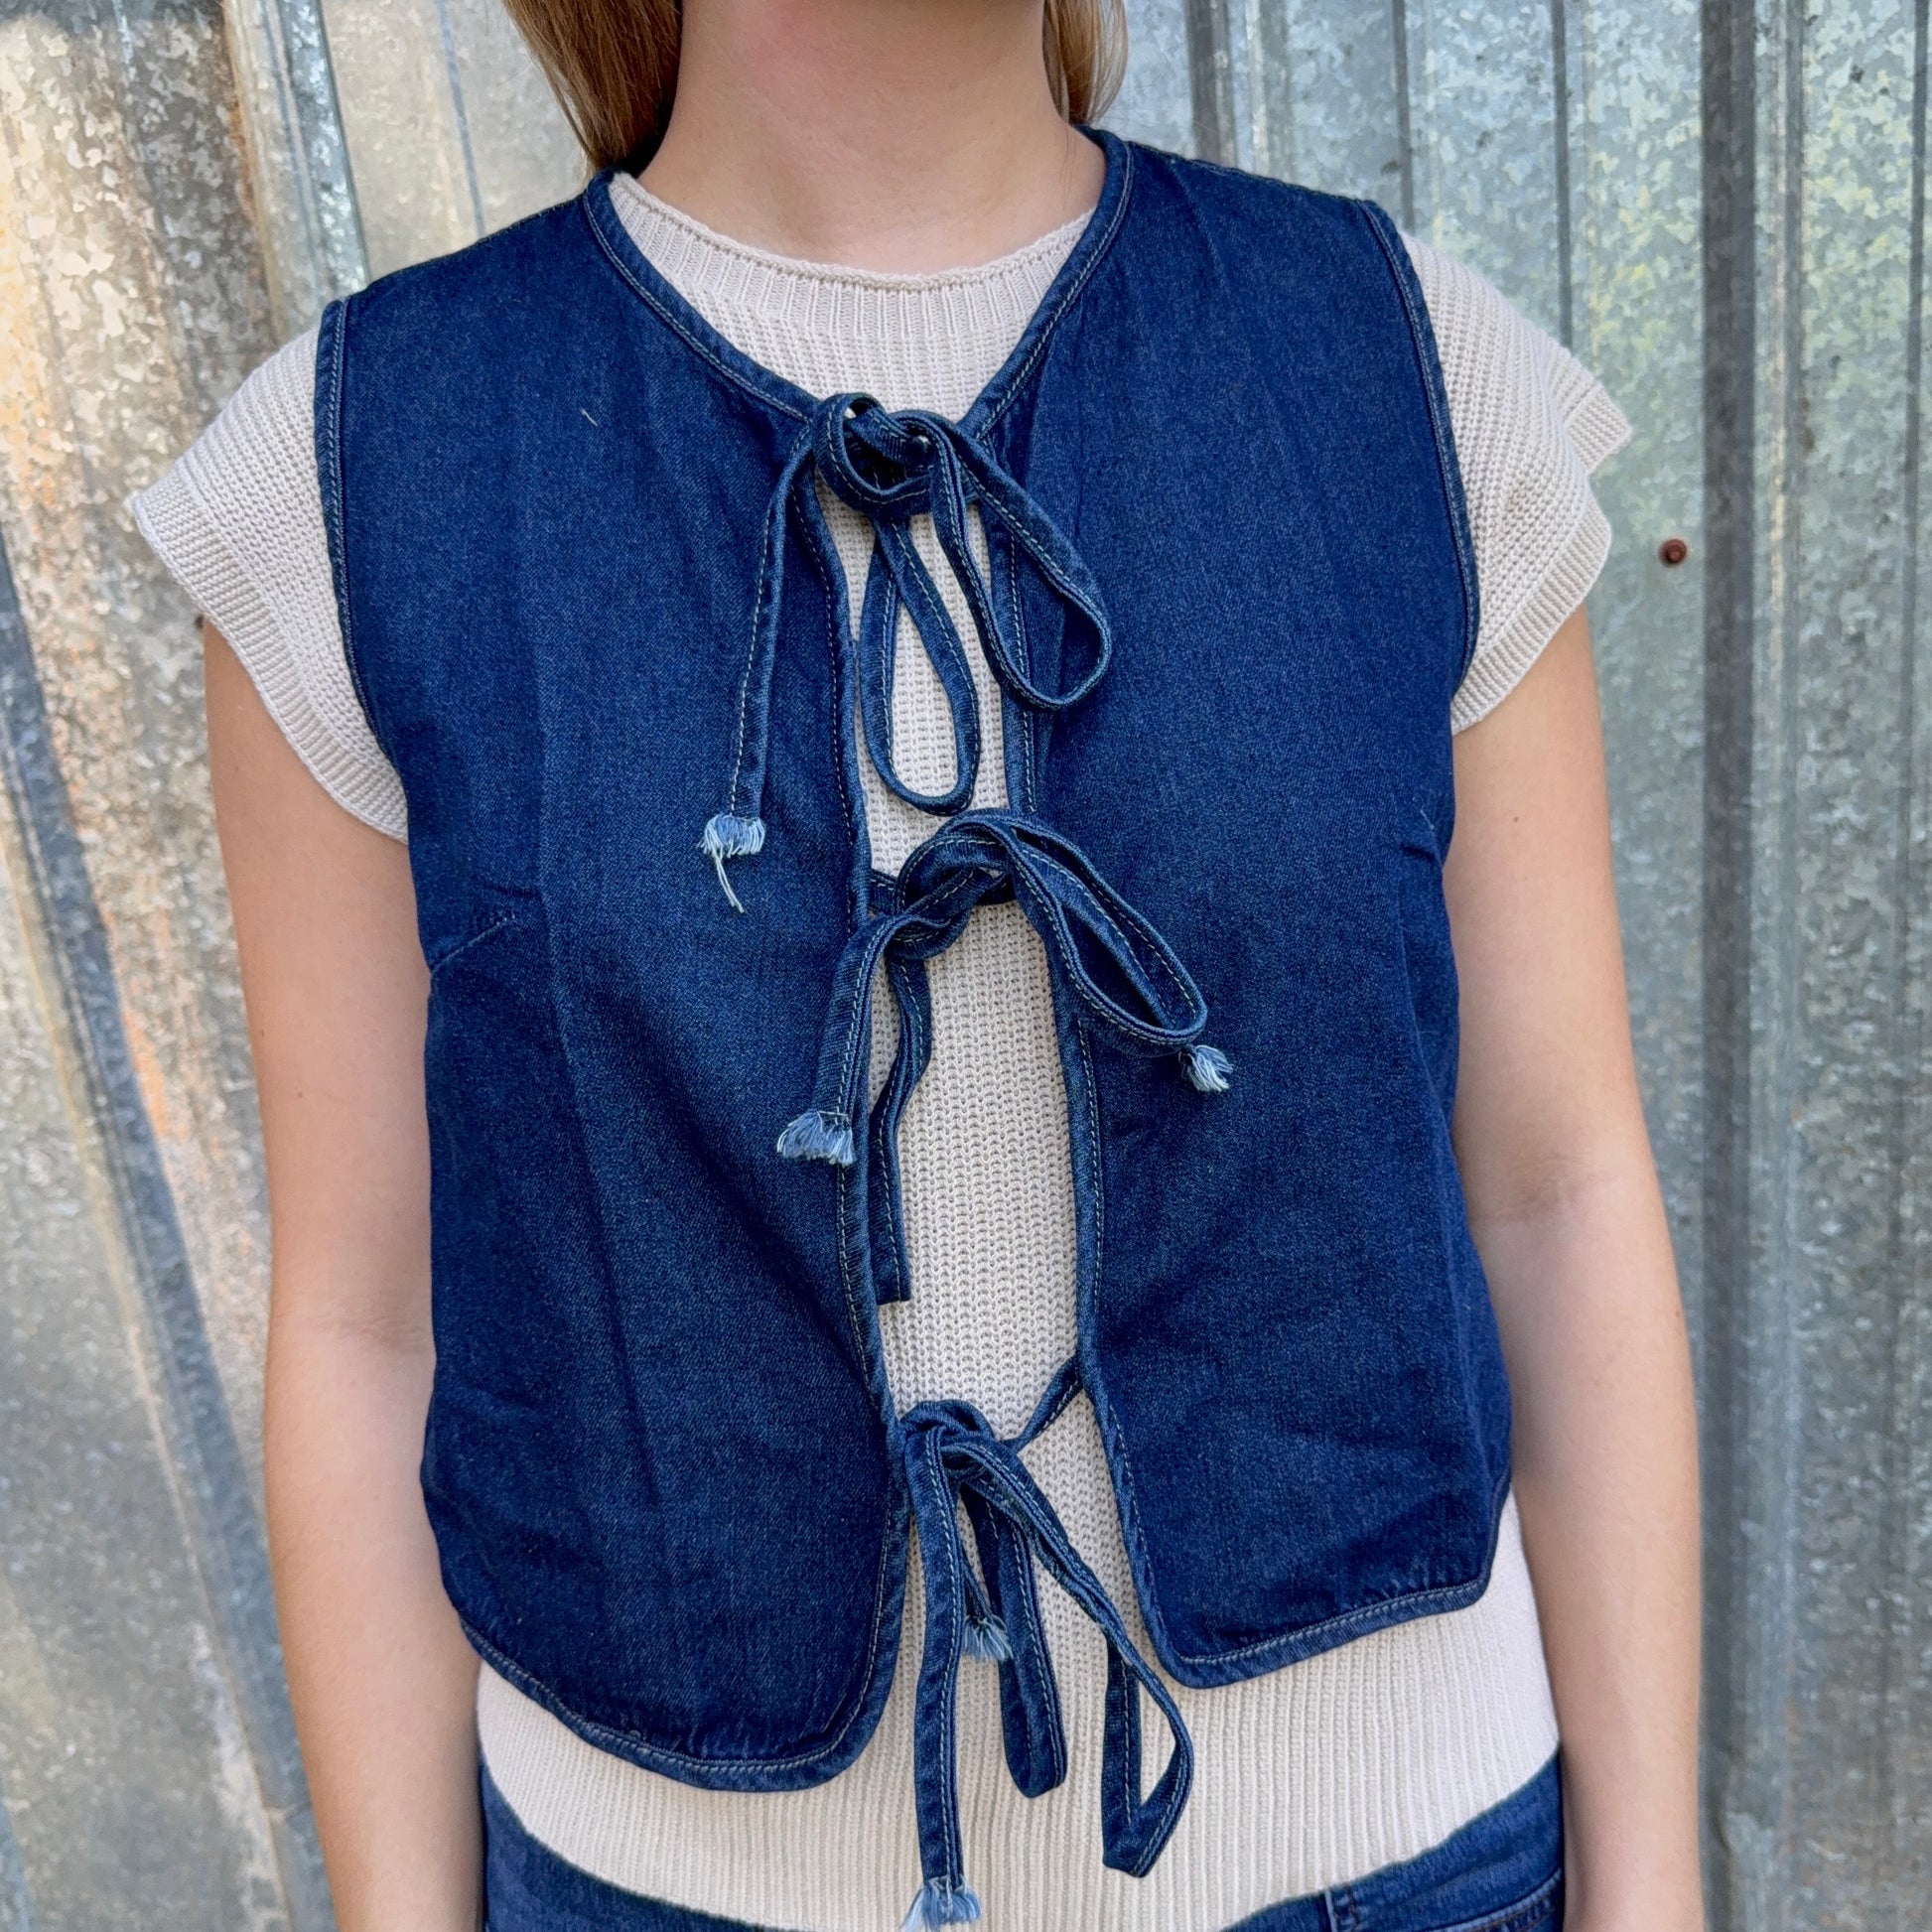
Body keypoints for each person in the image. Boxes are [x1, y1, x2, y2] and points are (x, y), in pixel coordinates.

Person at [134, 3, 1704, 1928]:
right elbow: (366, 1327)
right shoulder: (352, 467)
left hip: (1410, 1866)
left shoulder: (1411, 375)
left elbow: (1559, 1187)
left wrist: (1653, 1886)